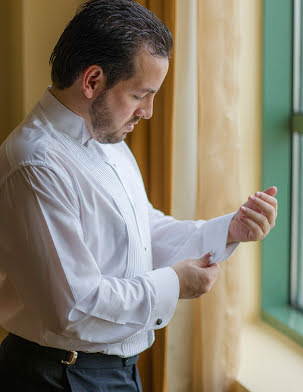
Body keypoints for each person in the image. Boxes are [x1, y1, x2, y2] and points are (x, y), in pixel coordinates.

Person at [0, 0, 278, 391]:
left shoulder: (108, 138)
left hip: (113, 370)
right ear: (93, 81)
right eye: (139, 95)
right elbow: (75, 306)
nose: (148, 112)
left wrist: (228, 230)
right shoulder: (36, 165)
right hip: (61, 376)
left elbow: (141, 230)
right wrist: (174, 285)